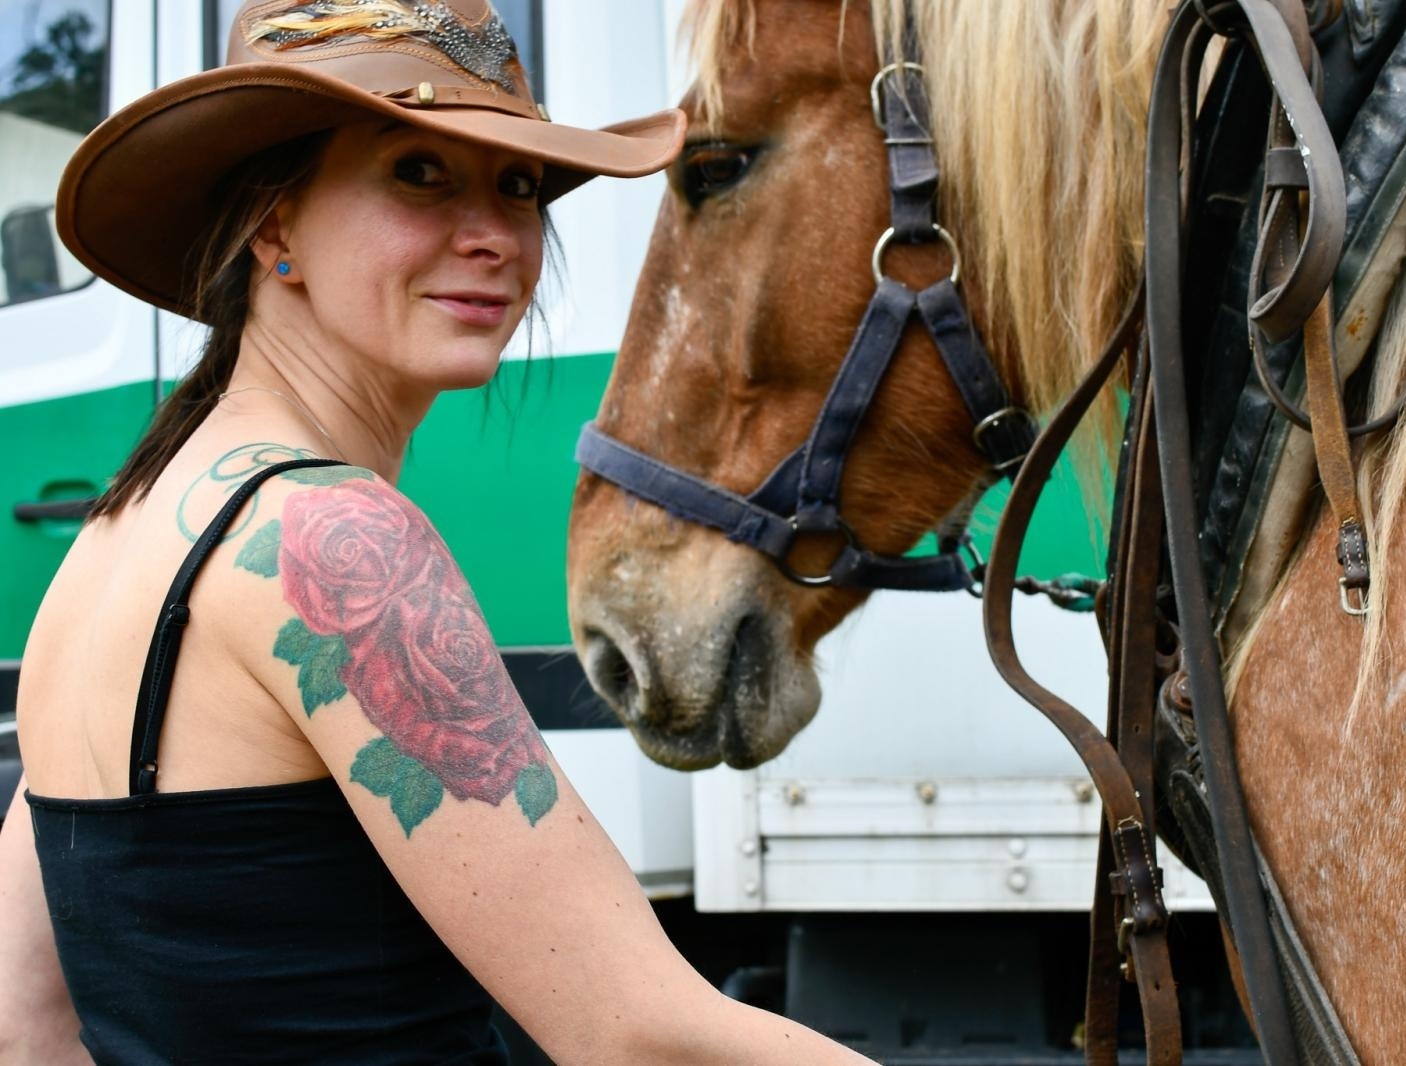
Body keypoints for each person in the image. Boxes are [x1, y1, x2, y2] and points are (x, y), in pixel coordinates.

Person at [0, 2, 877, 1062]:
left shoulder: (111, 540)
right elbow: (638, 1033)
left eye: (516, 185)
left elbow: (27, 1019)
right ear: (272, 228)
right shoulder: (332, 535)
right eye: (418, 172)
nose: (494, 235)